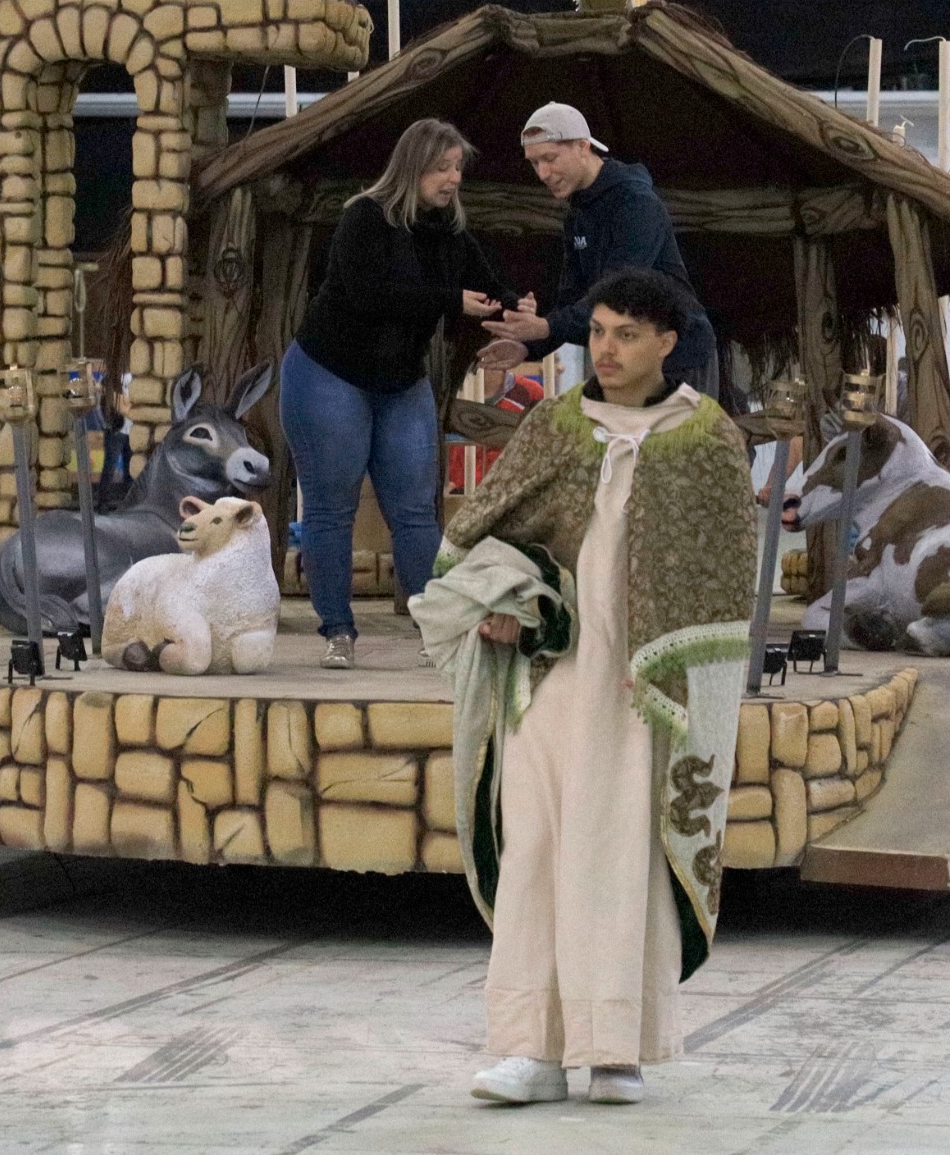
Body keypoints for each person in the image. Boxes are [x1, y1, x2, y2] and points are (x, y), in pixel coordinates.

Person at [417, 270, 755, 1109]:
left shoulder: (707, 439)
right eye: (599, 331)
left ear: (667, 342)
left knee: (621, 853)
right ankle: (529, 1049)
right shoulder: (556, 426)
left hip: (646, 691)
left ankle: (616, 1049)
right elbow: (489, 526)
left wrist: (673, 666)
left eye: (626, 334)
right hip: (551, 678)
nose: (606, 348)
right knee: (536, 847)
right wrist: (506, 603)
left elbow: (724, 573)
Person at [282, 118, 514, 669]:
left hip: (401, 382)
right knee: (331, 508)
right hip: (329, 373)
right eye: (442, 168)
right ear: (413, 167)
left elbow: (487, 287)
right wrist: (450, 300)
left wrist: (516, 308)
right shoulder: (364, 217)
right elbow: (368, 294)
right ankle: (338, 629)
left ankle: (438, 630)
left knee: (415, 512)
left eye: (457, 168)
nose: (454, 178)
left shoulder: (449, 230)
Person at [478, 102, 718, 396]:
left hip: (677, 355)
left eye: (550, 158)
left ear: (583, 146)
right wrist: (529, 346)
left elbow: (619, 293)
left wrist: (546, 326)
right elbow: (571, 297)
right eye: (534, 163)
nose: (543, 173)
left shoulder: (635, 202)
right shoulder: (577, 213)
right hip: (623, 356)